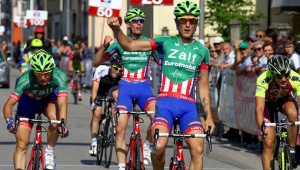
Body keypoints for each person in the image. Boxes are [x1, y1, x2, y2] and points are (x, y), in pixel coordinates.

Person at [107, 1, 215, 169]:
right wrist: (116, 29)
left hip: (189, 107)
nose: (187, 25)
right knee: (158, 147)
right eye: (183, 21)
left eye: (191, 21)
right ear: (177, 23)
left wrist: (209, 117)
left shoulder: (202, 51)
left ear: (196, 24)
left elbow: (203, 87)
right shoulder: (165, 42)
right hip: (165, 105)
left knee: (197, 150)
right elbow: (130, 45)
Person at [94, 8, 159, 169]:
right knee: (121, 129)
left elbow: (164, 64)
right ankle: (121, 166)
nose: (139, 23)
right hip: (126, 90)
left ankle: (147, 146)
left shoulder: (148, 44)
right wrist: (103, 47)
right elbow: (96, 62)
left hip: (144, 89)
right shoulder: (119, 44)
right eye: (136, 21)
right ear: (129, 24)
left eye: (141, 21)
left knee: (158, 119)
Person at [3, 49, 69, 170]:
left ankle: (49, 151)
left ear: (52, 70)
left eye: (47, 74)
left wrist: (63, 123)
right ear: (34, 72)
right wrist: (9, 121)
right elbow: (8, 105)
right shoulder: (25, 79)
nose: (43, 78)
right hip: (28, 101)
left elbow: (62, 103)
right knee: (22, 145)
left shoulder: (59, 76)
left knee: (55, 120)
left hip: (48, 99)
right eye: (39, 74)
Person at [255, 54, 300, 169]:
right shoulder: (263, 79)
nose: (284, 79)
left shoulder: (295, 77)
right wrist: (261, 127)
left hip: (283, 100)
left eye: (286, 75)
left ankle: (291, 149)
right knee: (268, 143)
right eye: (280, 76)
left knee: (293, 113)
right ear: (273, 74)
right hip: (267, 103)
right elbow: (259, 108)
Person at [89, 57, 121, 156]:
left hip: (112, 89)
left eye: (120, 70)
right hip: (100, 90)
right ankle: (94, 141)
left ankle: (113, 123)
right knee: (97, 114)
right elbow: (94, 89)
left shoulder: (121, 73)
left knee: (116, 96)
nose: (117, 72)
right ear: (110, 66)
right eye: (115, 68)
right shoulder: (101, 69)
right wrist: (94, 103)